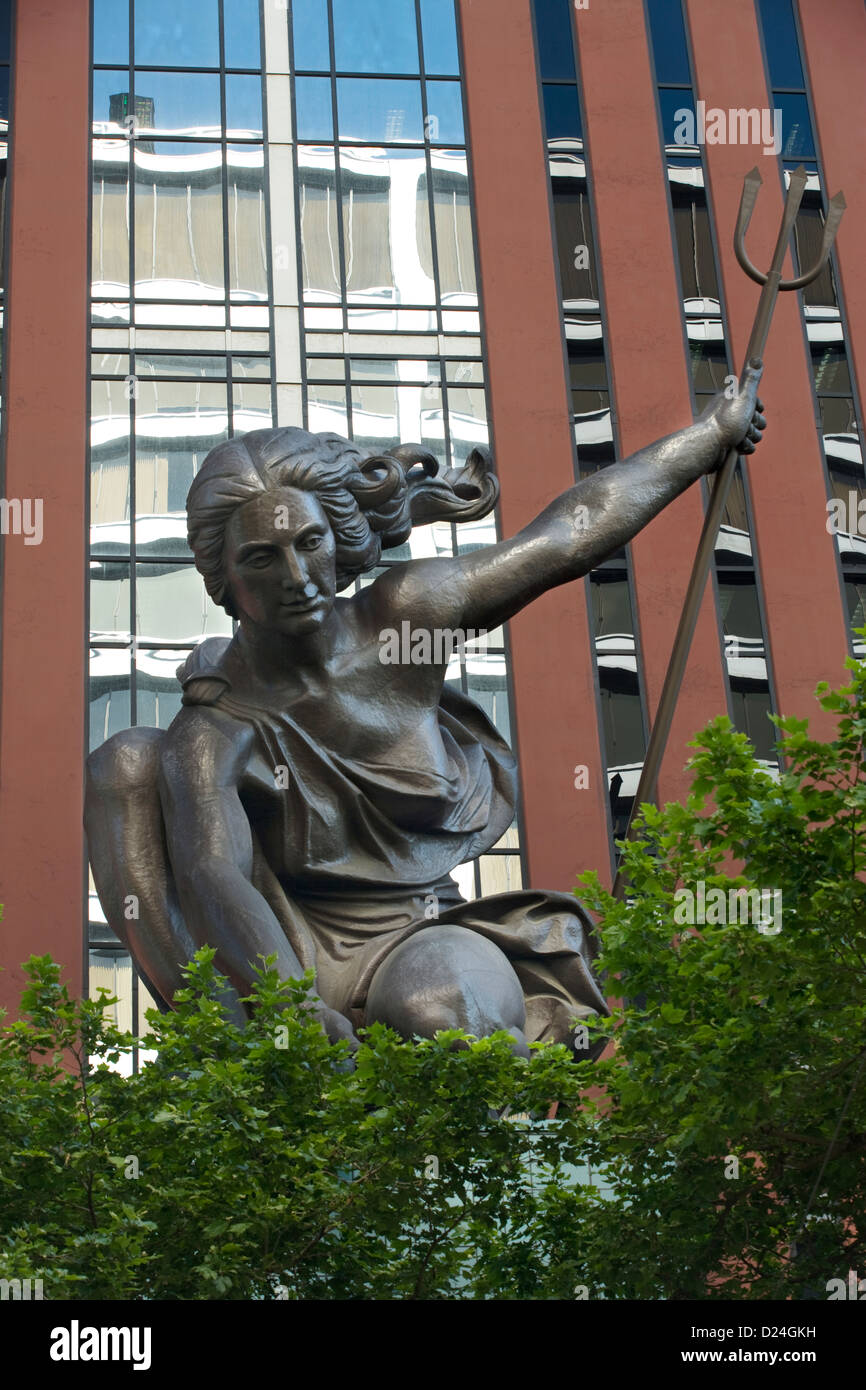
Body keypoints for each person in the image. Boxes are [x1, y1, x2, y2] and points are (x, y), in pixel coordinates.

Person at [85, 363, 766, 1055]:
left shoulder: (405, 622)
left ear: (341, 536)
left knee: (447, 1012)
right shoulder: (218, 722)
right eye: (261, 559)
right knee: (127, 760)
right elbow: (211, 872)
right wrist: (291, 1012)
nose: (295, 578)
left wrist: (709, 436)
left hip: (417, 935)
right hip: (278, 958)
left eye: (310, 544)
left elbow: (566, 538)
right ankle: (240, 1059)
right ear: (223, 576)